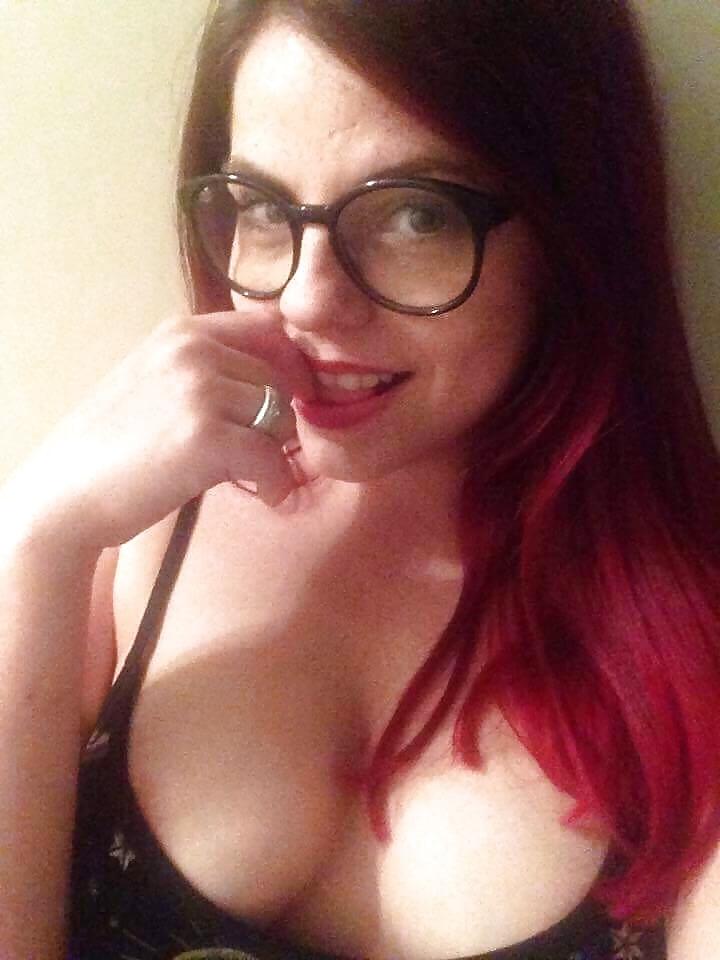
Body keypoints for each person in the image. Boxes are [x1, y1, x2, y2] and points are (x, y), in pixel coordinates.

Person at [1, 0, 719, 957]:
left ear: (571, 233)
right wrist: (38, 537)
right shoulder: (135, 530)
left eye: (416, 214)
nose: (306, 299)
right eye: (263, 207)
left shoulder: (690, 625)